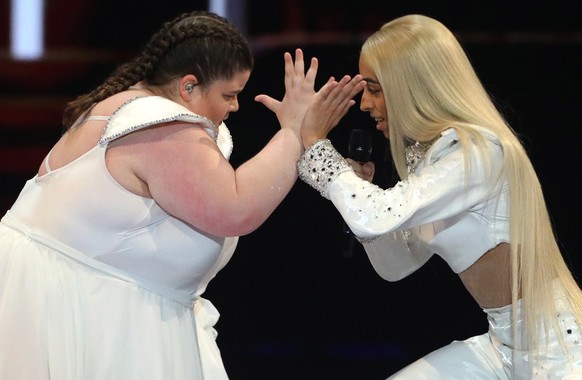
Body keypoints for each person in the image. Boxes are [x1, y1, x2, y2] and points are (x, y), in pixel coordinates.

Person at [0, 10, 365, 380]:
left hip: (90, 302)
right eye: (229, 94)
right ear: (188, 86)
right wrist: (295, 132)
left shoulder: (132, 106)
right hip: (76, 309)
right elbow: (235, 209)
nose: (235, 107)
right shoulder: (158, 123)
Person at [296, 14, 582, 379]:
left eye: (374, 88)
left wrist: (316, 146)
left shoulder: (477, 152)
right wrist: (353, 189)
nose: (365, 104)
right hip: (501, 347)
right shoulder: (439, 158)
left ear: (411, 86)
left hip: (560, 353)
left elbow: (374, 215)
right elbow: (397, 263)